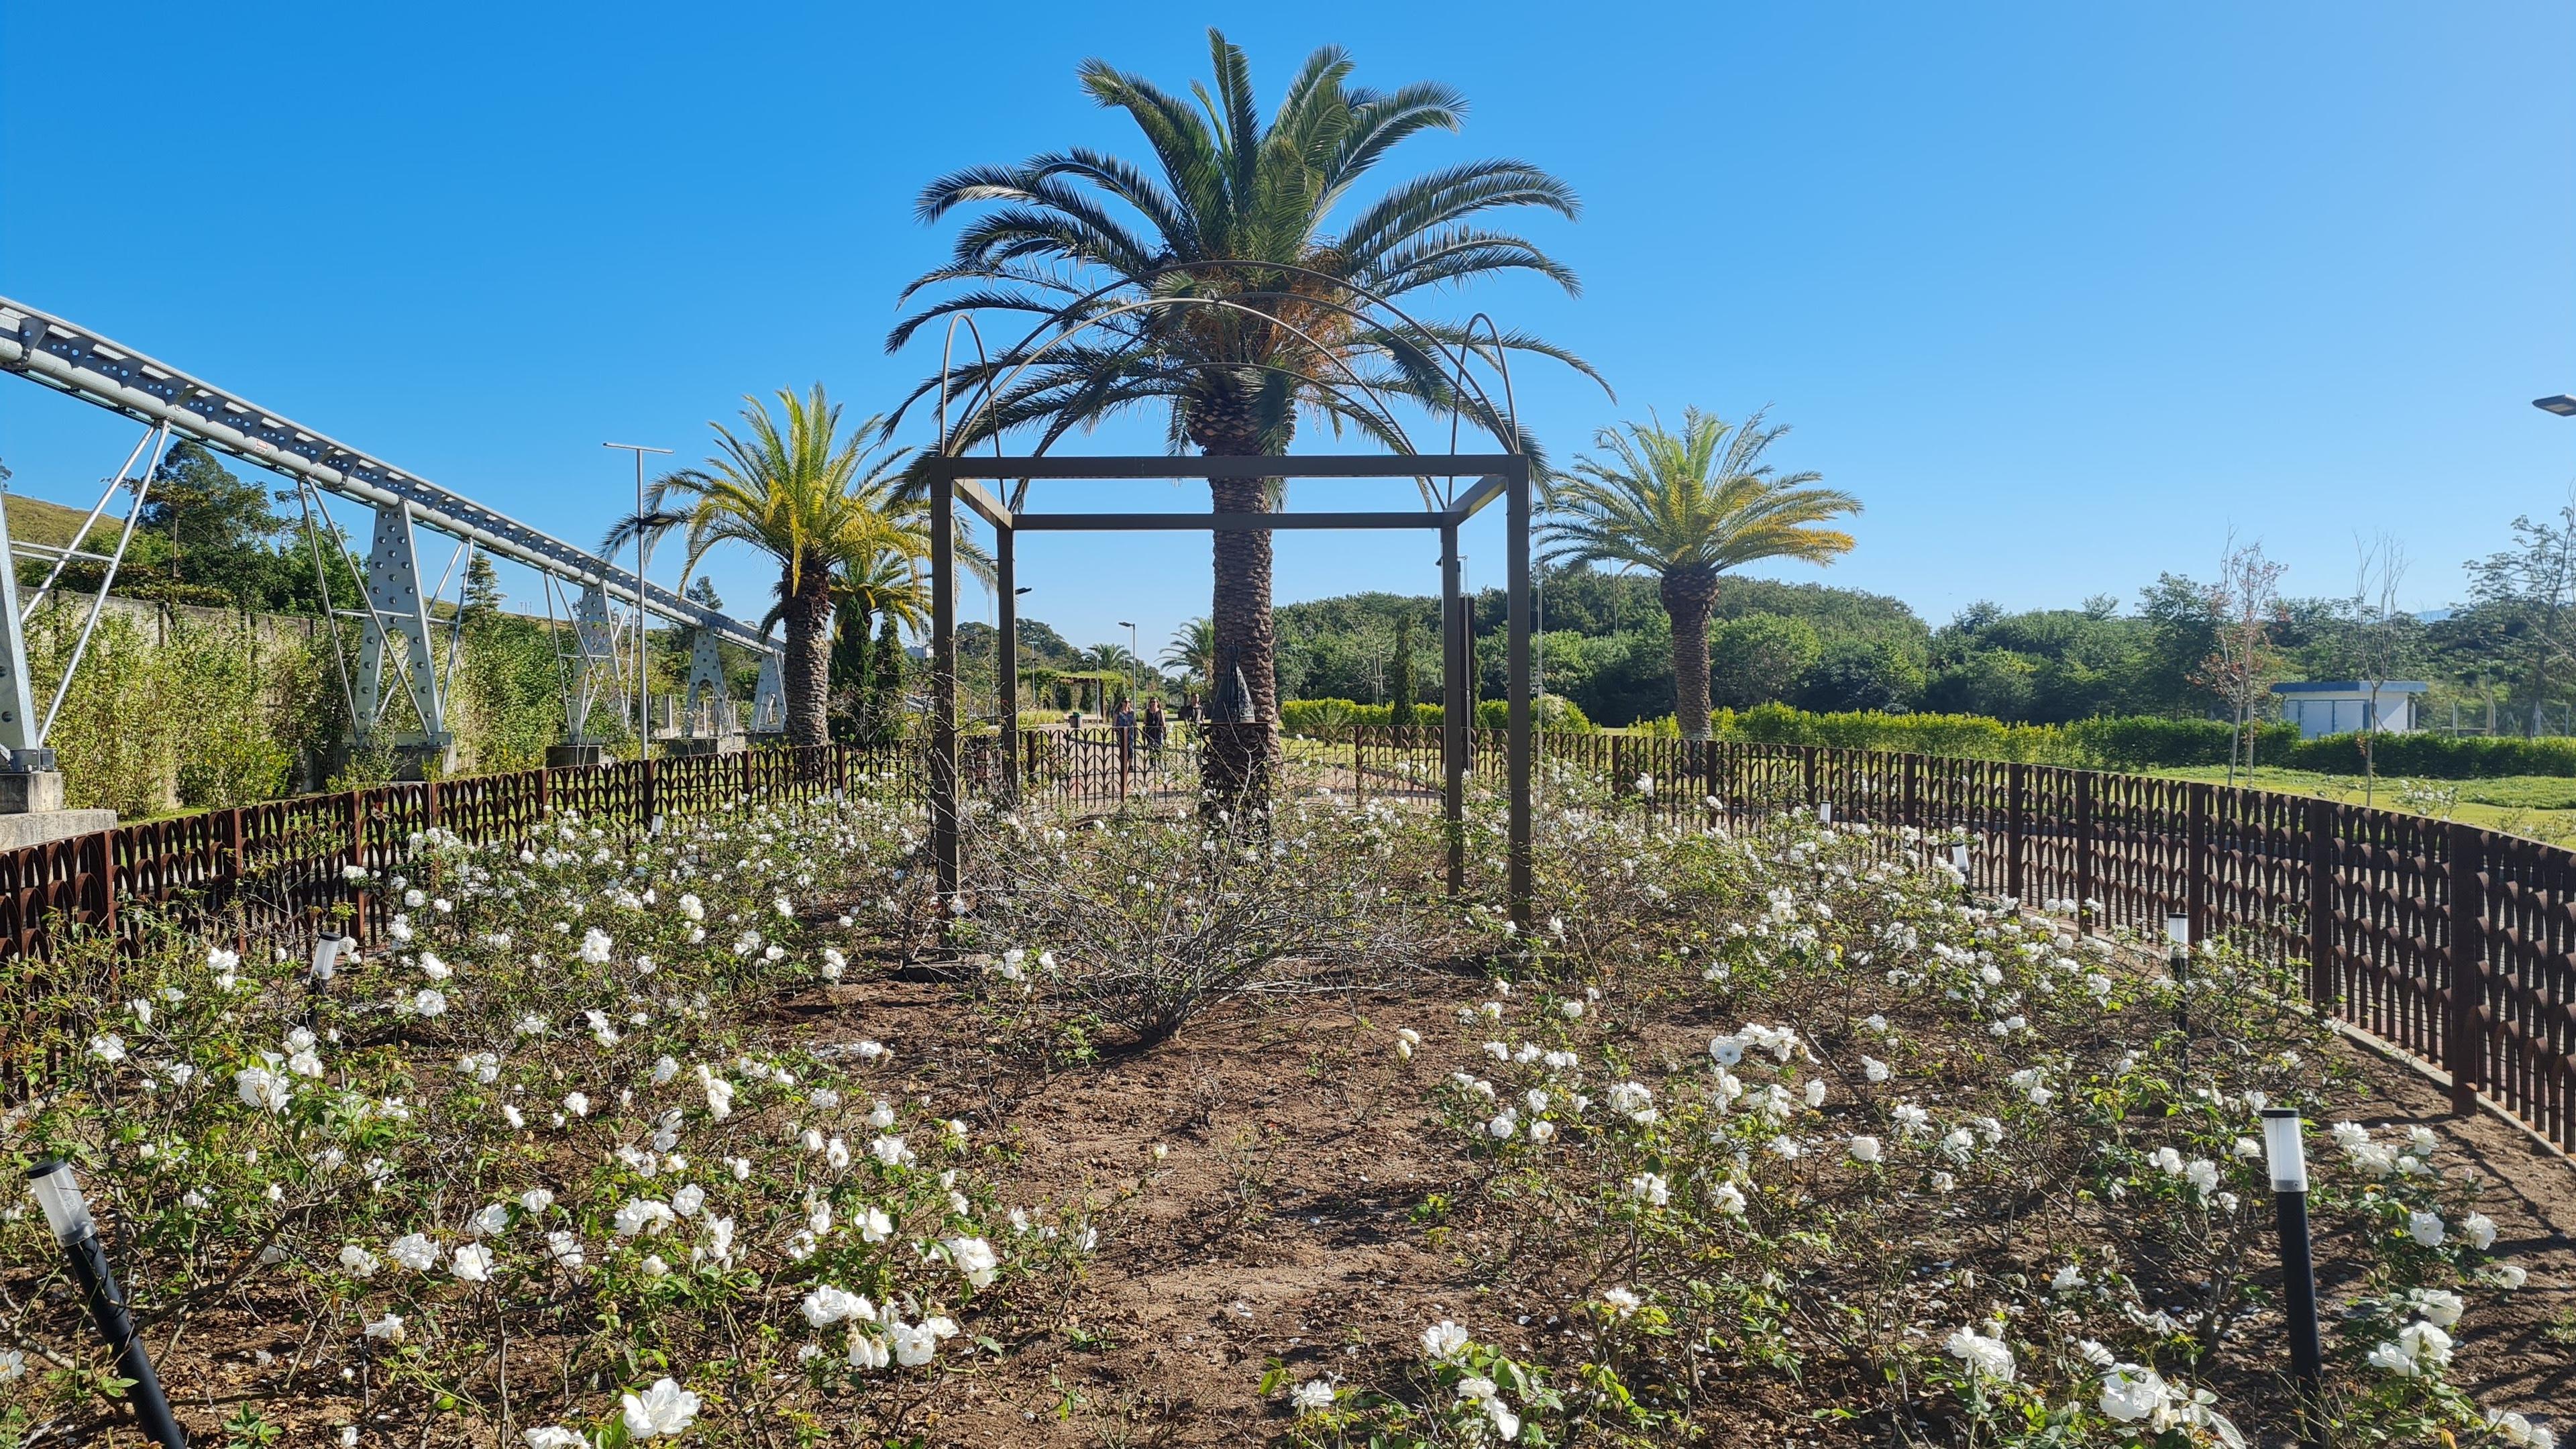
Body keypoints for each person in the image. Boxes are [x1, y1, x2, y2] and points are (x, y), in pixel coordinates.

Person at [1143, 697, 1167, 768]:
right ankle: (1152, 764)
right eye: (1152, 702)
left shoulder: (1160, 711)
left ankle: (1159, 762)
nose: (1153, 703)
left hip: (1158, 732)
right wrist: (1144, 732)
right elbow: (1145, 722)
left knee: (1158, 747)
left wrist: (1164, 731)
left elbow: (1163, 722)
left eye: (1155, 702)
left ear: (1157, 703)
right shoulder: (1147, 711)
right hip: (1150, 732)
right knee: (1151, 748)